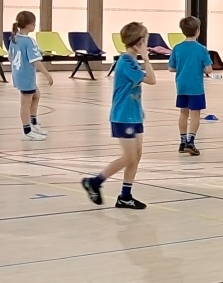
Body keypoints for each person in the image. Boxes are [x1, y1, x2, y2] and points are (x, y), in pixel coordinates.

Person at [81, 22, 156, 209]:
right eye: (146, 40)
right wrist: (147, 58)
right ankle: (95, 182)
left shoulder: (132, 61)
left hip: (134, 114)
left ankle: (125, 196)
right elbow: (152, 80)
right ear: (140, 42)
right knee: (129, 157)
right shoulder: (126, 62)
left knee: (136, 155)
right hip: (123, 116)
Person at [168, 16, 212, 156]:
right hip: (195, 86)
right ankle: (190, 142)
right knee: (195, 114)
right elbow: (209, 69)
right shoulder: (201, 49)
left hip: (181, 86)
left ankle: (182, 142)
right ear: (198, 31)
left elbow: (171, 68)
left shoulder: (177, 48)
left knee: (183, 112)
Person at [8, 11, 52, 141]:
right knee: (25, 103)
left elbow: (10, 57)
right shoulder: (28, 41)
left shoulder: (14, 38)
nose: (35, 25)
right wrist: (47, 74)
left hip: (20, 74)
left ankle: (33, 124)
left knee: (36, 95)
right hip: (25, 76)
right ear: (29, 25)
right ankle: (27, 131)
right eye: (34, 23)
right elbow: (35, 61)